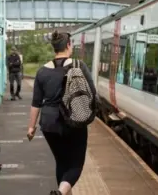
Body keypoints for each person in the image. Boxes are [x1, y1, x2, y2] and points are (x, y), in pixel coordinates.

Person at [27, 31, 96, 195]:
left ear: (54, 48)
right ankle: (59, 193)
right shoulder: (79, 66)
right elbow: (92, 92)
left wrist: (31, 127)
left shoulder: (42, 71)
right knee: (75, 165)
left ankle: (61, 192)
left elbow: (36, 102)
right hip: (74, 121)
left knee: (61, 162)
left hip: (49, 124)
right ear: (68, 45)